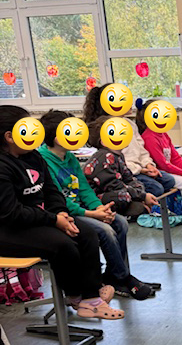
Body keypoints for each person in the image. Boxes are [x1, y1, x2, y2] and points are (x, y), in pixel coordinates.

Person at [0, 106, 124, 320]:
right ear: (10, 136)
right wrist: (53, 219)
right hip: (9, 228)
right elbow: (12, 213)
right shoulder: (3, 166)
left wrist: (61, 213)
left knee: (86, 233)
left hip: (36, 219)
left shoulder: (33, 157)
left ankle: (91, 298)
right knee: (64, 245)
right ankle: (76, 295)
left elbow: (51, 191)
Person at [38, 110, 155, 300]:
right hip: (64, 214)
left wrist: (99, 208)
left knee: (120, 223)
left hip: (81, 209)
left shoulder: (70, 158)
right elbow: (57, 200)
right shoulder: (43, 160)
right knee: (105, 230)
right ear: (58, 137)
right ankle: (123, 277)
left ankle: (114, 275)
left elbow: (84, 188)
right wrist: (92, 214)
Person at [82, 85, 175, 198]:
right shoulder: (107, 127)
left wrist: (149, 165)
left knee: (169, 181)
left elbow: (142, 150)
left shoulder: (130, 124)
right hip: (127, 172)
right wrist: (141, 170)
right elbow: (118, 162)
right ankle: (138, 199)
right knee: (156, 188)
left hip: (140, 169)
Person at [137, 100, 182, 225]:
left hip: (171, 170)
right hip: (162, 174)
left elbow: (175, 158)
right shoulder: (149, 137)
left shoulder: (163, 134)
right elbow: (163, 165)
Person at [84, 117, 158, 218]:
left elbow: (129, 178)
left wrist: (141, 194)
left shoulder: (118, 156)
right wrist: (142, 196)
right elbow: (114, 185)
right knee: (123, 196)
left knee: (138, 188)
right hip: (99, 196)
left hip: (117, 191)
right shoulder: (104, 157)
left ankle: (135, 207)